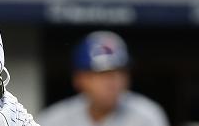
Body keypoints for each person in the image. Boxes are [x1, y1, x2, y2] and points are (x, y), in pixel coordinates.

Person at [37, 31, 169, 126]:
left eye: (120, 72)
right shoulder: (54, 120)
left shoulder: (147, 116)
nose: (114, 82)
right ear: (79, 79)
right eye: (103, 74)